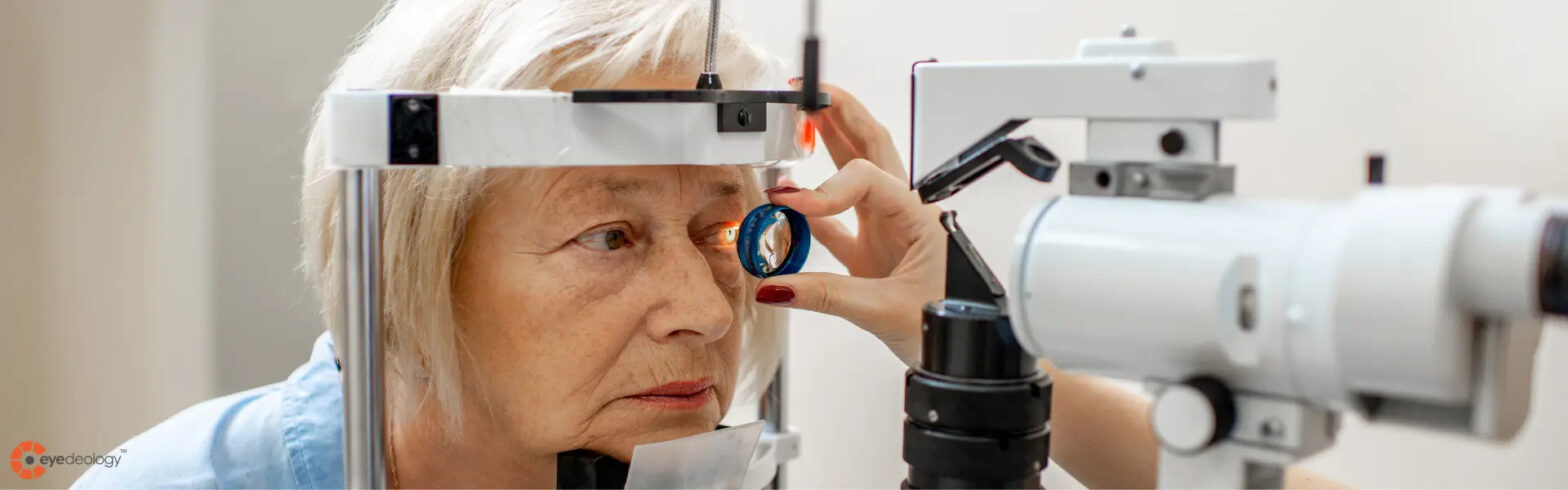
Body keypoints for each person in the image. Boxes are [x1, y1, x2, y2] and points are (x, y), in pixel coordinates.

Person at [76, 0, 1340, 488]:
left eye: (723, 224)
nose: (701, 306)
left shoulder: (674, 468)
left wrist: (966, 333)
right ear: (411, 255)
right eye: (611, 233)